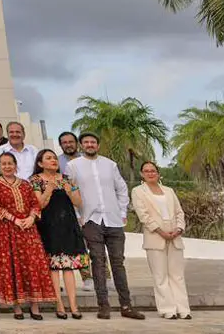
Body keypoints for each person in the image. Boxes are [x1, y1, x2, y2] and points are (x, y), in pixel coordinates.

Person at [69, 133, 145, 319]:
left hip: (113, 220)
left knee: (118, 263)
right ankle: (103, 306)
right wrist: (79, 216)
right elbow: (71, 192)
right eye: (86, 142)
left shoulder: (109, 164)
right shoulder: (73, 166)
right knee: (98, 262)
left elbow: (121, 189)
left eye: (93, 142)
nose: (89, 145)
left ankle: (126, 306)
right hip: (91, 220)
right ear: (81, 145)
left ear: (98, 145)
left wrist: (122, 213)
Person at [0, 152, 55, 319]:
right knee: (12, 266)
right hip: (7, 232)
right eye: (3, 164)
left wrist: (31, 218)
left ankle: (34, 306)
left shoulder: (25, 184)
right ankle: (17, 308)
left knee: (33, 265)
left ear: (15, 165)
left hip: (28, 231)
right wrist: (14, 219)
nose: (7, 166)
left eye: (10, 163)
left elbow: (34, 203)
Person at [30, 149, 87, 319]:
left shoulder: (67, 179)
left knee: (68, 267)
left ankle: (74, 306)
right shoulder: (35, 180)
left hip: (68, 226)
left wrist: (69, 191)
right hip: (48, 228)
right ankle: (59, 305)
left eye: (55, 158)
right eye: (48, 158)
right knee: (53, 268)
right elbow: (38, 205)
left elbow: (78, 203)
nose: (53, 160)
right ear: (40, 163)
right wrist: (48, 190)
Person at [131, 161, 190, 320]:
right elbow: (144, 216)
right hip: (155, 236)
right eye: (146, 171)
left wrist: (179, 229)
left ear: (158, 173)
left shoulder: (169, 191)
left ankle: (183, 309)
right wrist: (161, 231)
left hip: (175, 235)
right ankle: (168, 309)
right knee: (160, 275)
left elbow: (179, 212)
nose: (150, 173)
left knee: (177, 275)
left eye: (153, 170)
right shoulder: (138, 191)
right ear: (142, 174)